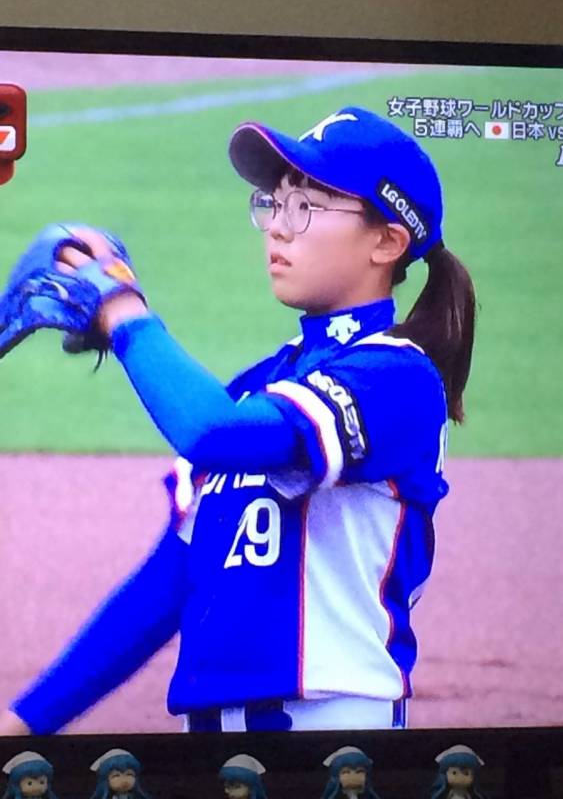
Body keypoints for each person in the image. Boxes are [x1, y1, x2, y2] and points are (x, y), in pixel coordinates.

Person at [0, 105, 476, 734]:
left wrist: (123, 310)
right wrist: (23, 723)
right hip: (208, 743)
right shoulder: (258, 388)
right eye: (274, 204)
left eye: (306, 207)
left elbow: (211, 433)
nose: (278, 227)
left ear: (386, 241)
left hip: (334, 739)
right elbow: (167, 587)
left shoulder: (398, 379)